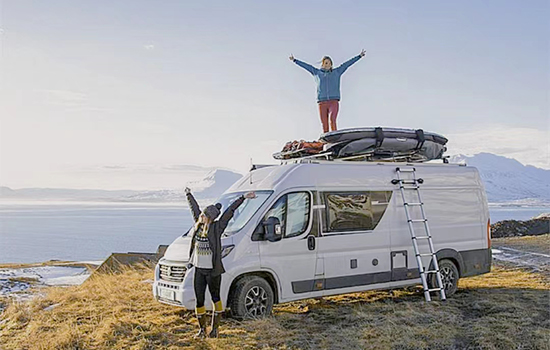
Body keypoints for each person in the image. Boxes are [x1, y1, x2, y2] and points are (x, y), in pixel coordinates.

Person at [185, 187, 256, 339]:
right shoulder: (198, 224)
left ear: (210, 218)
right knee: (199, 300)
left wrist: (243, 197)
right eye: (202, 214)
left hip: (213, 271)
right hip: (199, 269)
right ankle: (202, 330)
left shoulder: (217, 227)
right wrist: (189, 194)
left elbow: (229, 212)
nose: (201, 216)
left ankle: (215, 329)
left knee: (215, 298)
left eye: (204, 215)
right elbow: (194, 208)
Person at [290, 50, 366, 134]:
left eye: (329, 63)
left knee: (332, 119)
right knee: (324, 124)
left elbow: (347, 64)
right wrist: (295, 60)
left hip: (333, 101)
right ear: (322, 64)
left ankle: (335, 136)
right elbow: (306, 66)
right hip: (322, 102)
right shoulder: (317, 73)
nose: (327, 65)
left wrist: (359, 56)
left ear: (331, 65)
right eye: (326, 63)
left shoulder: (337, 72)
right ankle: (326, 140)